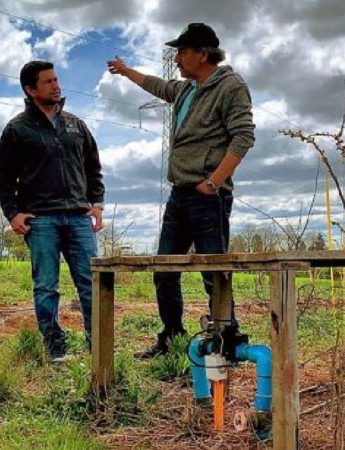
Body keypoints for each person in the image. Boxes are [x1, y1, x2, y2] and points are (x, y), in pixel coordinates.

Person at [107, 23, 255, 358]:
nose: (176, 58)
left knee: (212, 270)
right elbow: (159, 86)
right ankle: (172, 337)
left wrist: (214, 181)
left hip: (208, 195)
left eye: (182, 52)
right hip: (180, 193)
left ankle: (227, 339)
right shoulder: (187, 89)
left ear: (203, 54)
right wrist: (127, 71)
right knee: (165, 268)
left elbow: (244, 136)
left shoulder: (229, 86)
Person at [0, 60, 104, 362]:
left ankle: (98, 347)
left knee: (91, 283)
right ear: (30, 89)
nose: (56, 86)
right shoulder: (17, 129)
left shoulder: (75, 124)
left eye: (56, 80)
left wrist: (97, 204)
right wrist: (12, 213)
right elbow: (2, 177)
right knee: (46, 287)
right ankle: (55, 347)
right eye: (48, 82)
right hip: (41, 220)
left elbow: (93, 167)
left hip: (79, 218)